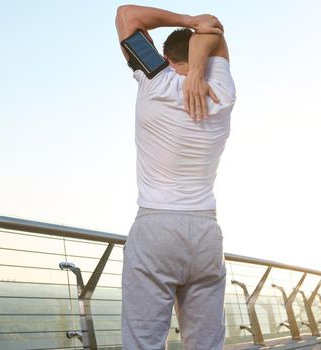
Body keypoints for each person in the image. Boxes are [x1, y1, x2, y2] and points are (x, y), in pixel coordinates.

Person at [115, 5, 236, 349]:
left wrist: (187, 21)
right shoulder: (222, 94)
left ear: (165, 57)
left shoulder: (155, 79)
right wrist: (199, 70)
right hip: (205, 233)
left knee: (144, 342)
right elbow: (214, 31)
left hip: (156, 230)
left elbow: (127, 14)